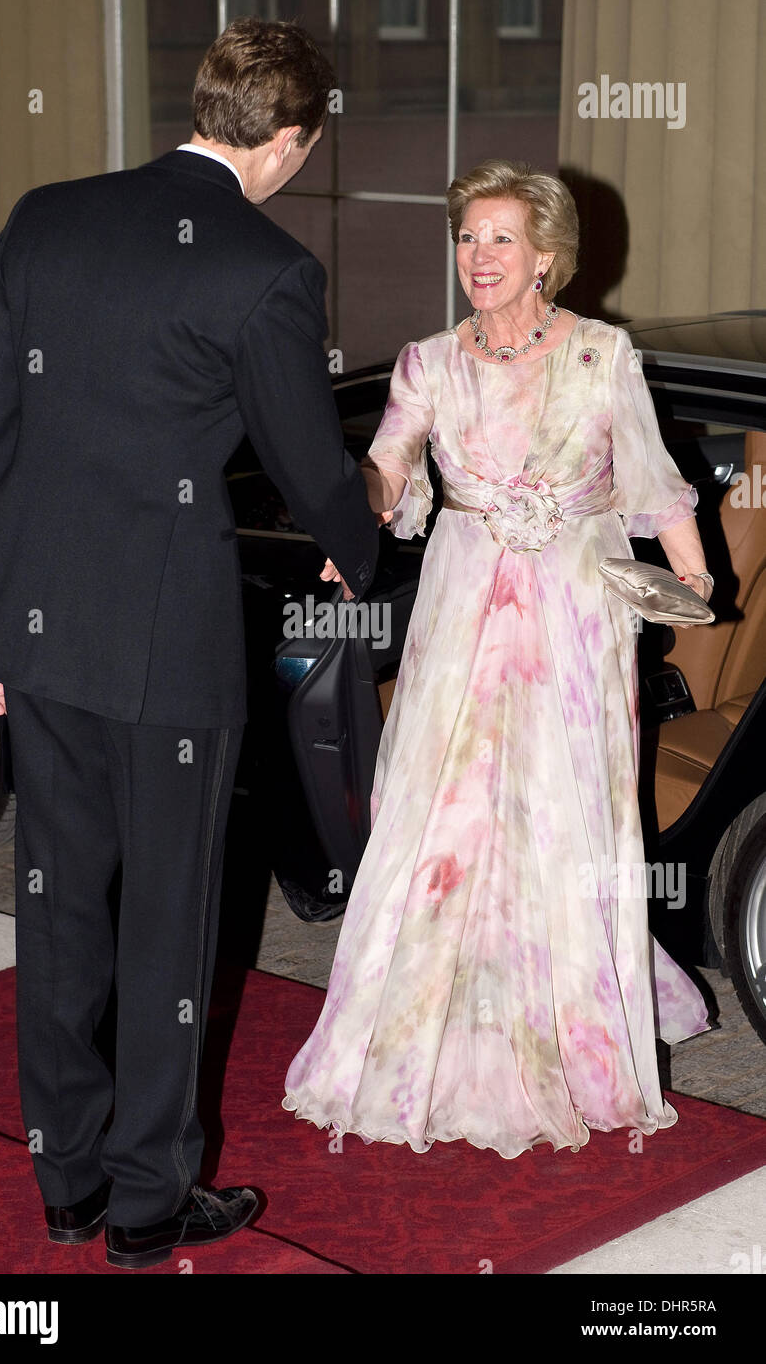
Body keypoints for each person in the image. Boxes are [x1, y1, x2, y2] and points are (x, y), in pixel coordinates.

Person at [0, 17, 378, 1270]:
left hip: (33, 626)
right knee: (172, 918)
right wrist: (373, 544)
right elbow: (310, 471)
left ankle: (65, 1179)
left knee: (59, 902)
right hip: (164, 649)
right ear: (288, 141)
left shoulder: (46, 214)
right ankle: (147, 1201)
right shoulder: (265, 271)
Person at [283, 159, 712, 1158]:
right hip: (465, 600)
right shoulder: (427, 362)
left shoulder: (602, 355)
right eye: (468, 237)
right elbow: (389, 462)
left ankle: (572, 1036)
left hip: (572, 608)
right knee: (446, 807)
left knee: (563, 809)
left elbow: (652, 482)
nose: (478, 255)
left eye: (500, 239)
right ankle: (434, 1019)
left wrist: (693, 578)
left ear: (546, 257)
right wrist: (359, 521)